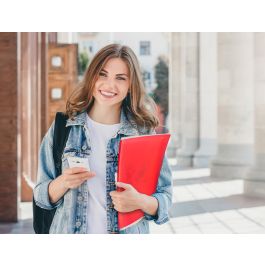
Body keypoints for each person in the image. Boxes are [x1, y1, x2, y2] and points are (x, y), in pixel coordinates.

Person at [33, 43, 172, 234]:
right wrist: (63, 182)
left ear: (130, 85)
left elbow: (165, 198)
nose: (109, 85)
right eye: (102, 74)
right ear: (92, 77)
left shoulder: (143, 133)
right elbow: (40, 196)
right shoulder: (64, 127)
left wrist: (140, 201)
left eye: (120, 78)